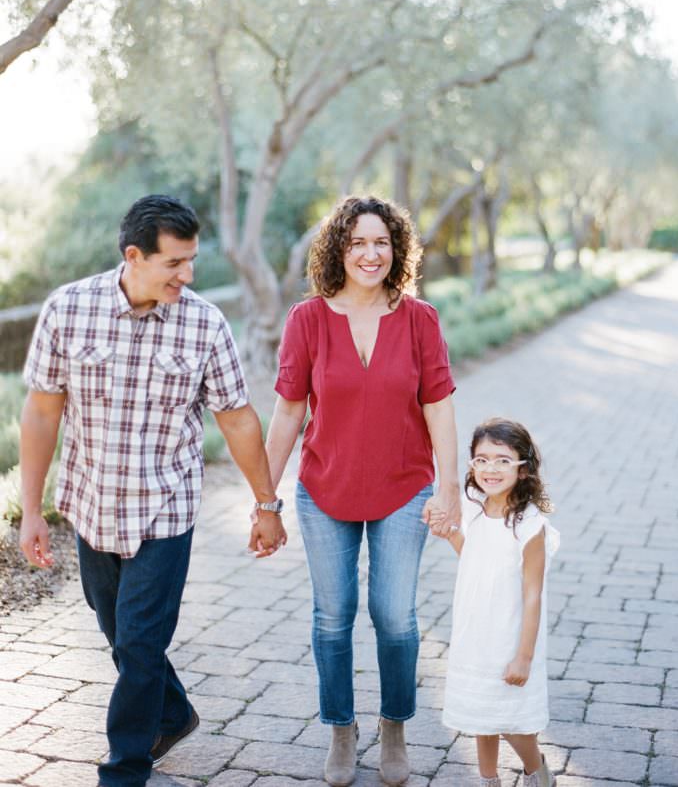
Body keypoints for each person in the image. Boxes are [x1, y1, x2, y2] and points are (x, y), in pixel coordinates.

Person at [19, 194, 286, 787]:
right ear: (133, 255)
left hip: (165, 510)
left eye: (192, 261)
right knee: (118, 632)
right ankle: (172, 712)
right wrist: (31, 509)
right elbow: (40, 413)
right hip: (91, 505)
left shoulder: (204, 323)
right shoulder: (69, 309)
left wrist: (266, 504)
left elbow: (238, 418)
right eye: (175, 263)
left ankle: (125, 769)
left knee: (140, 644)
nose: (188, 276)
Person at [264, 195, 460, 787]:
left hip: (405, 489)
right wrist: (263, 498)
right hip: (325, 491)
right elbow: (286, 414)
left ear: (396, 249)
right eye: (357, 243)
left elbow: (440, 410)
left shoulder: (420, 318)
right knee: (333, 616)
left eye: (381, 242)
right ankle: (341, 731)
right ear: (338, 250)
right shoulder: (308, 320)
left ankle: (394, 727)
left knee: (394, 616)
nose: (370, 254)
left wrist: (448, 490)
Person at [432, 417, 559, 787]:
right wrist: (450, 532)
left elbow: (532, 594)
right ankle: (488, 779)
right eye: (482, 459)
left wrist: (524, 655)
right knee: (479, 716)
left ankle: (538, 772)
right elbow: (472, 556)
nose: (491, 468)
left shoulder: (529, 525)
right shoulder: (473, 508)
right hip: (475, 633)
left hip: (509, 636)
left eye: (503, 460)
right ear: (471, 465)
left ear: (523, 469)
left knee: (511, 720)